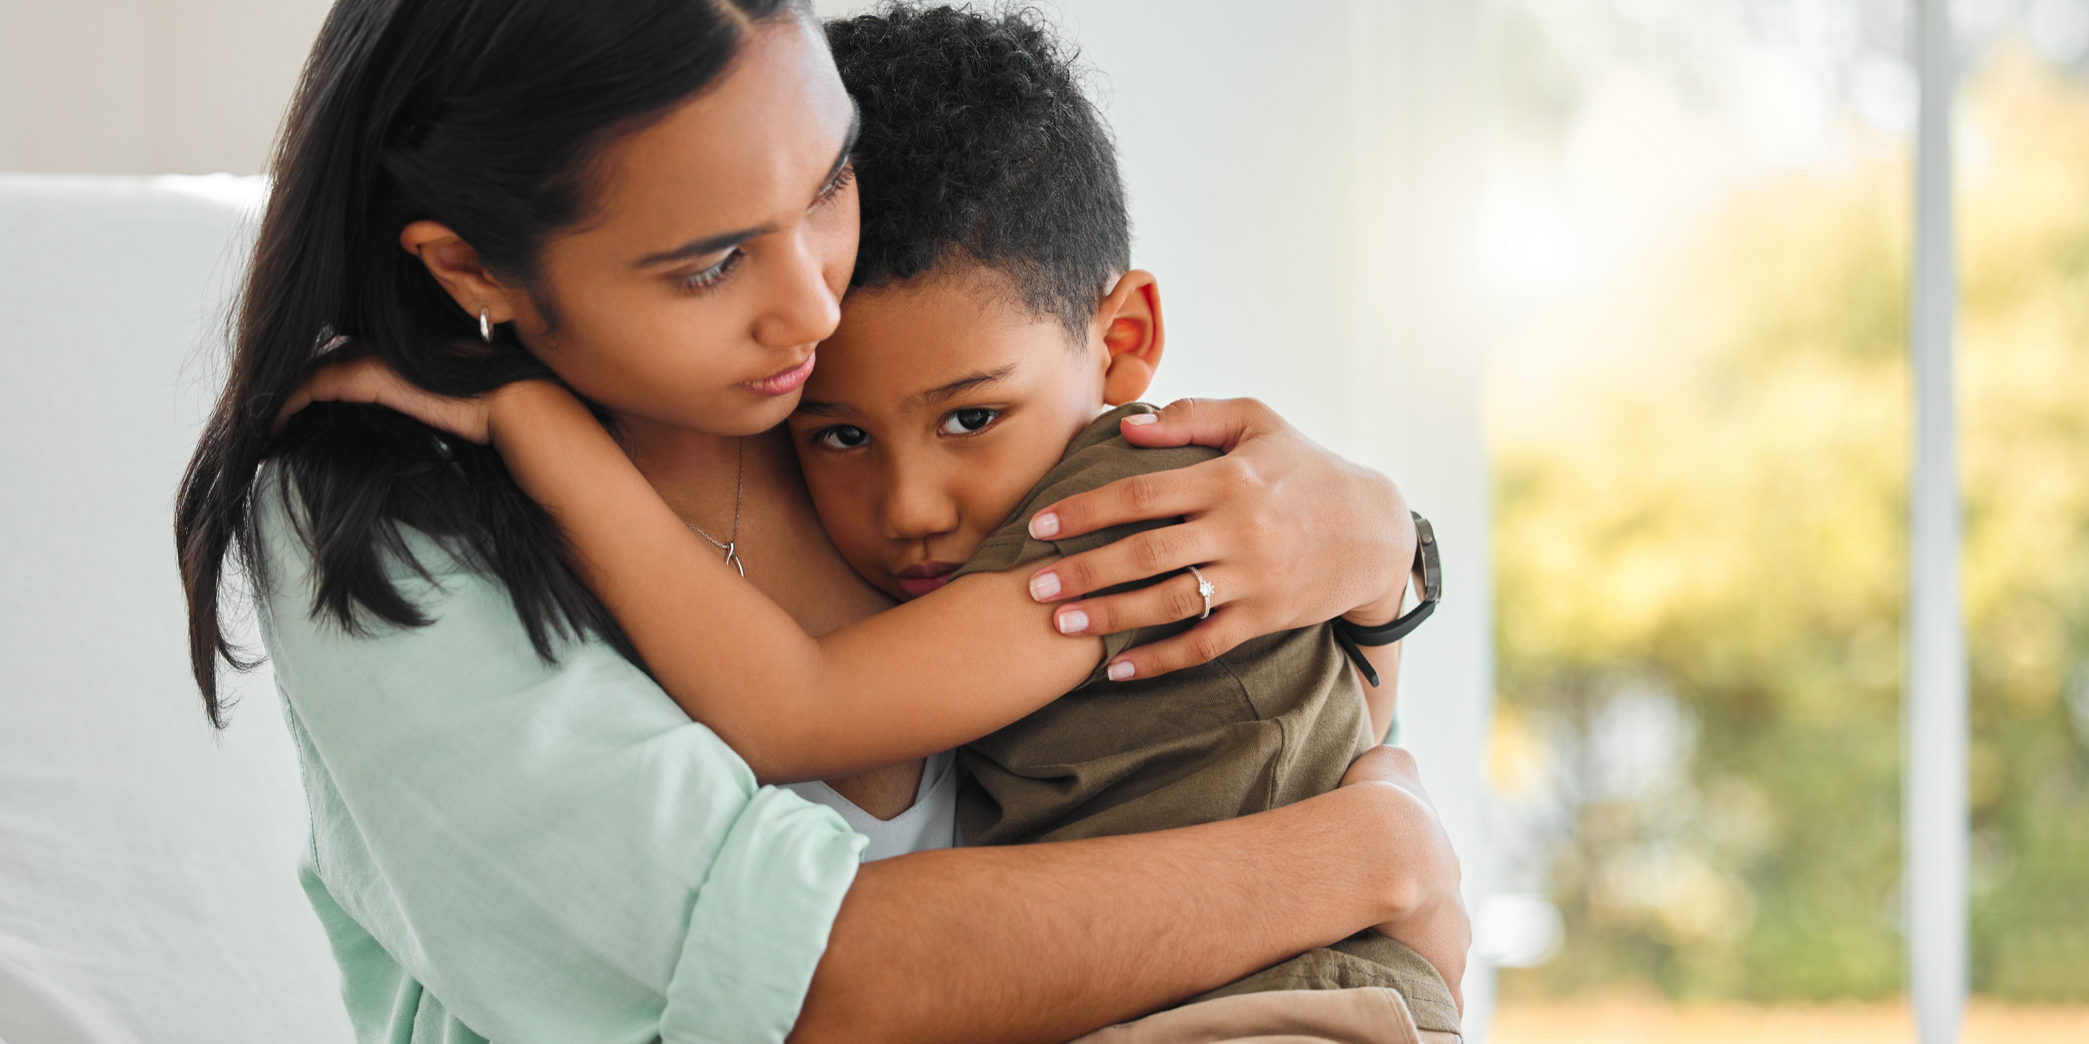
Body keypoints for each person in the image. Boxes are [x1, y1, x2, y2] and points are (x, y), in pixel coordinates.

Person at [181, 1, 1468, 1040]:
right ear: (472, 268)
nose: (810, 306)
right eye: (708, 264)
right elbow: (804, 986)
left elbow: (1283, 723)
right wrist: (1362, 857)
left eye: (826, 183)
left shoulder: (885, 401)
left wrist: (1375, 549)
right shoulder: (378, 518)